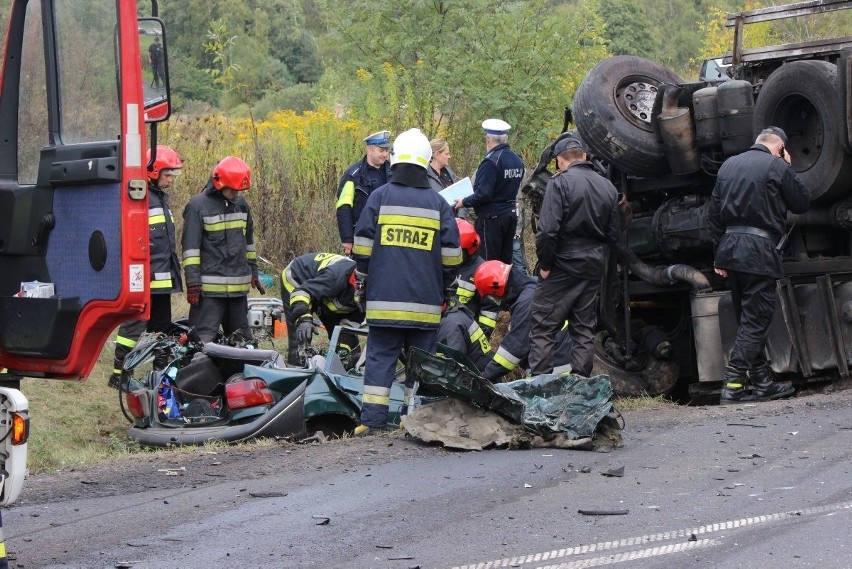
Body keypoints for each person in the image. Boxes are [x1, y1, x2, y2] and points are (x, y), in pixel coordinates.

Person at [351, 128, 462, 435]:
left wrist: (363, 281)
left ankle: (372, 423)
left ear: (395, 160)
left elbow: (361, 248)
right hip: (425, 306)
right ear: (427, 162)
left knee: (379, 360)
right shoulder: (438, 204)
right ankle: (416, 422)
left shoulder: (379, 197)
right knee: (422, 364)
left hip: (383, 303)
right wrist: (447, 288)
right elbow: (452, 256)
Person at [708, 126, 810, 405]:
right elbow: (802, 202)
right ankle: (732, 384)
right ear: (779, 148)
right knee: (756, 321)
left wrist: (719, 254)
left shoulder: (729, 165)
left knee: (747, 321)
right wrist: (787, 166)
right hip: (758, 252)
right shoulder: (776, 165)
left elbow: (713, 215)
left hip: (730, 250)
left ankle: (763, 383)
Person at [528, 136, 621, 378]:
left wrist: (546, 265)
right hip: (593, 264)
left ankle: (541, 388)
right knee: (583, 328)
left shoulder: (559, 184)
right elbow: (613, 235)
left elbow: (547, 231)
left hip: (563, 262)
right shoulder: (608, 187)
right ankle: (582, 386)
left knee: (543, 326)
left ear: (559, 161)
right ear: (585, 156)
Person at [109, 145, 183, 388]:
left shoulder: (161, 200)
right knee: (133, 326)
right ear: (152, 172)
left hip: (162, 281)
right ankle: (120, 374)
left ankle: (160, 374)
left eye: (173, 175)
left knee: (161, 328)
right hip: (143, 278)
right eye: (168, 174)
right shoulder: (139, 199)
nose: (171, 179)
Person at [182, 156, 265, 344]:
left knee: (242, 343)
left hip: (238, 292)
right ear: (219, 183)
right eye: (232, 189)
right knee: (201, 343)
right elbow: (190, 249)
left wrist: (253, 271)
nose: (235, 193)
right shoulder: (197, 206)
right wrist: (193, 283)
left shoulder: (241, 205)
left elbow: (248, 243)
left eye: (238, 189)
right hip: (209, 292)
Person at [454, 118, 525, 263]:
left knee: (488, 263)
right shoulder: (517, 160)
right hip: (510, 216)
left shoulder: (491, 162)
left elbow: (484, 194)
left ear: (488, 139)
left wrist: (464, 202)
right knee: (505, 263)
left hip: (491, 220)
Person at [280, 252, 364, 365]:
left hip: (325, 294)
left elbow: (348, 326)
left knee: (349, 346)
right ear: (354, 282)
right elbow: (302, 292)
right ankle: (296, 368)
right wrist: (303, 318)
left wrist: (343, 350)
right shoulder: (335, 277)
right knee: (301, 336)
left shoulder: (369, 294)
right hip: (298, 279)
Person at [472, 260, 536, 382]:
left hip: (554, 367)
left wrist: (485, 378)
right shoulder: (528, 288)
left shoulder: (526, 302)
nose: (494, 300)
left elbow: (514, 348)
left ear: (497, 288)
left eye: (491, 296)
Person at [335, 130, 392, 256]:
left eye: (387, 151)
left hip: (390, 236)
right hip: (362, 235)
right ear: (370, 150)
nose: (385, 154)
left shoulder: (393, 172)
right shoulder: (353, 176)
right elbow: (343, 207)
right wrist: (347, 239)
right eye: (381, 150)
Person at [453, 218, 499, 338]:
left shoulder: (483, 272)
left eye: (458, 251)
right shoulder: (440, 262)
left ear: (470, 249)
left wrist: (479, 339)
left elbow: (489, 312)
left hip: (465, 332)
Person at [436, 305, 493, 373]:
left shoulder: (450, 326)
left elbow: (454, 363)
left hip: (478, 378)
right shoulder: (457, 313)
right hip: (485, 370)